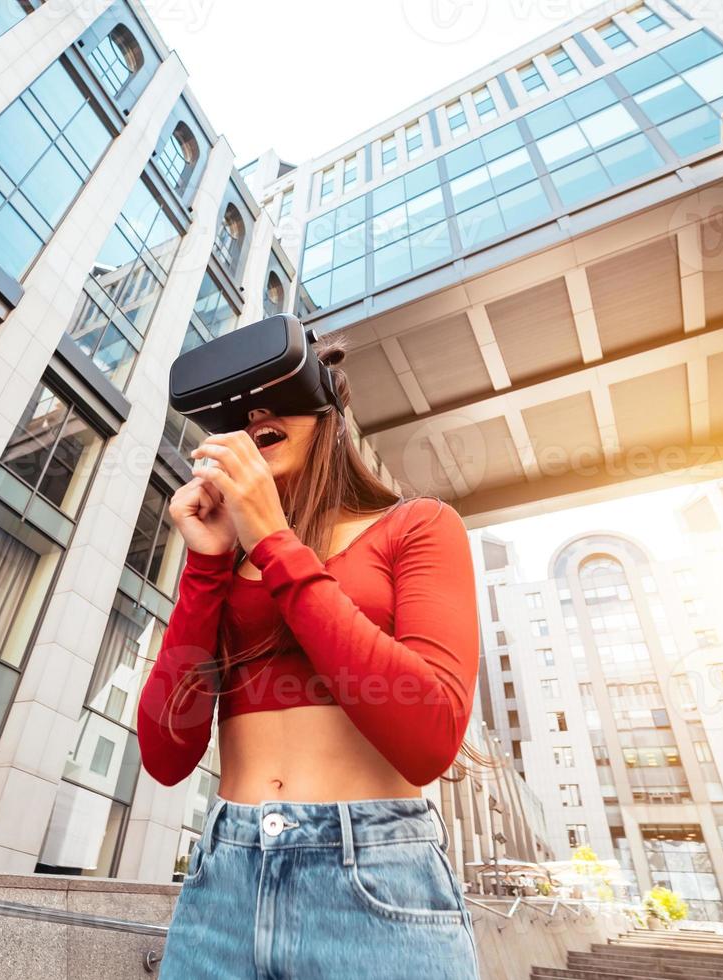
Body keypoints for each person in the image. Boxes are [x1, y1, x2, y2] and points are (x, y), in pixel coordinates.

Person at [137, 337, 482, 978]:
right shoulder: (229, 561)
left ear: (327, 414)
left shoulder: (418, 526)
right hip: (223, 885)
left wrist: (272, 538)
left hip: (377, 885)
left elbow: (429, 732)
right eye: (232, 413)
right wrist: (208, 566)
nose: (252, 417)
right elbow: (165, 754)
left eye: (275, 398)